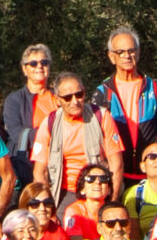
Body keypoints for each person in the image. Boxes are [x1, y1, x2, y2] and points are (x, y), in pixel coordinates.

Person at [32, 71, 126, 202]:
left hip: (97, 191)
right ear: (58, 100)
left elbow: (116, 164)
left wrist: (112, 202)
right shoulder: (49, 124)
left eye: (79, 95)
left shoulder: (102, 117)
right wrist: (48, 205)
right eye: (67, 97)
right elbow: (40, 172)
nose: (75, 101)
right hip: (63, 193)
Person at [98, 26, 157, 153]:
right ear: (111, 56)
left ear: (138, 52)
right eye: (120, 52)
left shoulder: (153, 88)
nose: (126, 56)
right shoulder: (102, 92)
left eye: (131, 51)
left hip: (150, 167)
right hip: (117, 168)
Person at [2, 45, 57, 184]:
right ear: (24, 69)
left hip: (57, 161)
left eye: (44, 62)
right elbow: (16, 134)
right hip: (27, 164)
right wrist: (53, 134)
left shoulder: (59, 97)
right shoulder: (14, 100)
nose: (39, 66)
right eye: (33, 63)